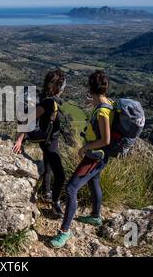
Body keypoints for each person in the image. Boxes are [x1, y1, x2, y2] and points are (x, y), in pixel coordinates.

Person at [50, 70, 114, 248]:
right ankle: (95, 216)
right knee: (94, 181)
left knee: (71, 189)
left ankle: (65, 231)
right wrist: (91, 102)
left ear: (90, 87)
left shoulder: (102, 112)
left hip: (95, 156)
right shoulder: (108, 103)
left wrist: (85, 147)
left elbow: (105, 139)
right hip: (101, 157)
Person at [13, 69, 67, 217]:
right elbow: (29, 118)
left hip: (45, 138)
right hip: (50, 140)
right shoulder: (49, 102)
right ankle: (55, 204)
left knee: (48, 165)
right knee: (60, 175)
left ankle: (46, 192)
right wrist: (19, 139)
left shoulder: (44, 95)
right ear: (59, 87)